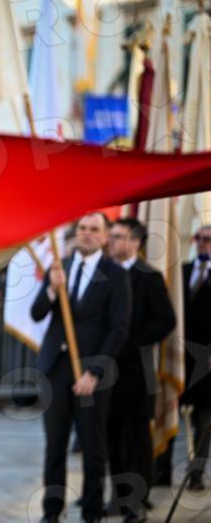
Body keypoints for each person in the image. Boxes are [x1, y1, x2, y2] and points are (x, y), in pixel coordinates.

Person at [32, 212, 131, 523]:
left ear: (105, 236)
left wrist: (94, 373)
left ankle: (91, 512)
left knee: (92, 446)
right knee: (54, 446)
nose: (86, 233)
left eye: (94, 229)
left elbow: (118, 330)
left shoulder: (115, 275)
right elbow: (37, 313)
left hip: (90, 373)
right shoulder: (59, 267)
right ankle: (51, 511)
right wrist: (51, 288)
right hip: (56, 368)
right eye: (82, 228)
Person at [106, 218, 175, 522]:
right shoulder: (104, 273)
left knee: (137, 436)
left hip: (136, 368)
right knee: (111, 434)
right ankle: (118, 496)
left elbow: (166, 319)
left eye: (118, 236)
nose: (111, 241)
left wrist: (134, 341)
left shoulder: (149, 276)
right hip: (106, 368)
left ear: (136, 242)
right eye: (111, 236)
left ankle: (138, 499)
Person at [157, 225, 211, 490]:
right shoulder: (182, 272)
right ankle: (161, 470)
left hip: (207, 361)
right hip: (179, 356)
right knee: (170, 410)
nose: (202, 243)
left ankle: (196, 473)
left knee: (204, 419)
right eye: (198, 238)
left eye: (207, 239)